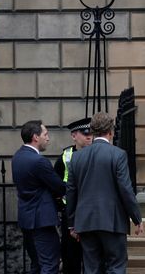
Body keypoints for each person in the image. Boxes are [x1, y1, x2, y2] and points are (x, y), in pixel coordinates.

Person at [65, 112, 144, 274]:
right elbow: (126, 190)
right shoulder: (118, 154)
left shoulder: (76, 158)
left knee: (91, 268)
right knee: (116, 266)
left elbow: (71, 192)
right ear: (111, 132)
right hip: (112, 221)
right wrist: (136, 218)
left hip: (85, 221)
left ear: (92, 131)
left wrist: (72, 224)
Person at [12, 120, 66, 274]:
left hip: (26, 220)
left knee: (36, 264)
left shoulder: (17, 157)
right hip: (42, 221)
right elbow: (60, 187)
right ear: (36, 137)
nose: (48, 138)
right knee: (50, 263)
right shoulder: (39, 161)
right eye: (45, 134)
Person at [53, 117, 93, 274]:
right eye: (85, 133)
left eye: (91, 133)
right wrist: (62, 206)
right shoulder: (65, 156)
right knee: (71, 260)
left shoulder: (96, 153)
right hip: (71, 215)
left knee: (92, 260)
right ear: (74, 135)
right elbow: (55, 185)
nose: (89, 136)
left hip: (91, 214)